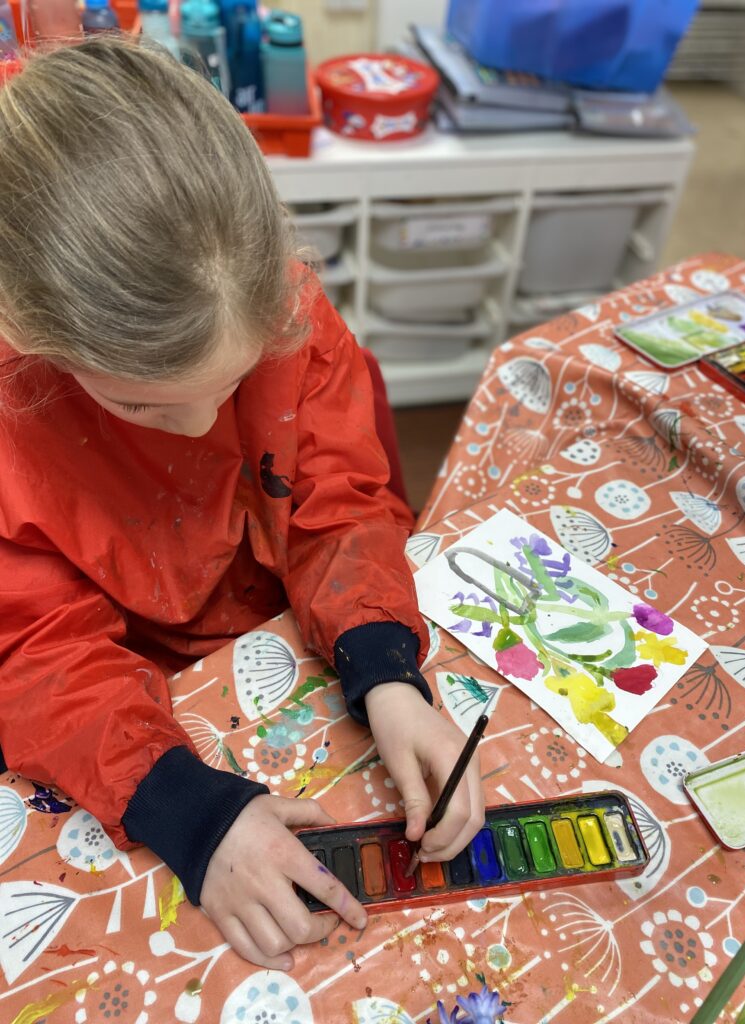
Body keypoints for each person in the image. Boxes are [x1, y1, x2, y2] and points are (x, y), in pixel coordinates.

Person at [0, 36, 485, 971]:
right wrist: (185, 808)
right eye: (142, 402)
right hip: (121, 699)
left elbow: (339, 494)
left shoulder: (268, 292)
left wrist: (385, 668)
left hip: (281, 638)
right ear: (26, 330)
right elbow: (33, 654)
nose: (197, 428)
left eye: (232, 385)